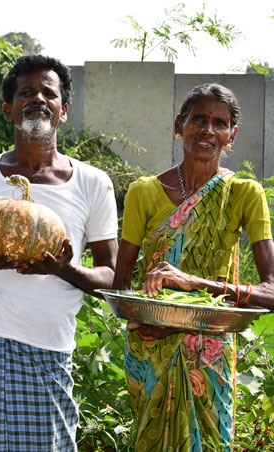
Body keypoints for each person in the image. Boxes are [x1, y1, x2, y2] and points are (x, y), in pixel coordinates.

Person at [0, 55, 119, 451]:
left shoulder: (92, 184)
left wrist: (64, 269)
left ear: (63, 111)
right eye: (26, 92)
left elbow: (111, 279)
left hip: (47, 352)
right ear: (8, 109)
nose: (37, 98)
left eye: (48, 93)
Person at [113, 83, 274, 451]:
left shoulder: (244, 195)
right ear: (178, 124)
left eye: (220, 123)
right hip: (150, 349)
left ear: (232, 135)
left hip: (210, 350)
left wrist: (195, 284)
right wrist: (142, 320)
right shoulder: (143, 192)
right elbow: (122, 283)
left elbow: (271, 291)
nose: (207, 130)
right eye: (198, 119)